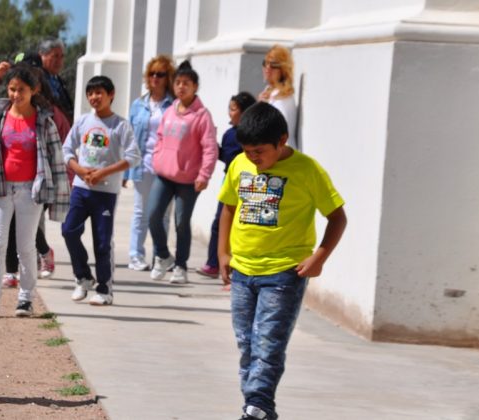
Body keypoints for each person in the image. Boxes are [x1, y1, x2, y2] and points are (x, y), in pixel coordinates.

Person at [217, 102, 347, 420]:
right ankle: (256, 406)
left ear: (282, 140)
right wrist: (222, 253)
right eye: (248, 151)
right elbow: (229, 208)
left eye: (260, 151)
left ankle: (259, 406)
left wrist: (320, 256)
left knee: (268, 342)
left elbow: (337, 217)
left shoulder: (308, 170)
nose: (253, 158)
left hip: (284, 272)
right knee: (247, 344)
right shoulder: (238, 165)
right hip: (243, 271)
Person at [0, 64, 70, 318]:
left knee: (26, 246)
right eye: (12, 89)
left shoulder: (44, 121)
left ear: (34, 90)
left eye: (21, 90)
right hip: (0, 188)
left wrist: (58, 197)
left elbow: (57, 161)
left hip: (30, 191)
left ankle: (25, 299)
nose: (15, 95)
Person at [62, 75, 141, 305]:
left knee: (102, 242)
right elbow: (67, 150)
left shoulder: (120, 125)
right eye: (91, 93)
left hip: (106, 193)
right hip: (80, 189)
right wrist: (81, 171)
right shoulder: (83, 121)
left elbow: (133, 157)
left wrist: (103, 173)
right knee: (69, 230)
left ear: (111, 94)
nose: (94, 97)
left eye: (99, 93)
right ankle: (83, 276)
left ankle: (104, 289)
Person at [147, 60, 218, 284]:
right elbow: (160, 136)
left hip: (188, 179)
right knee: (153, 215)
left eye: (186, 83)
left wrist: (204, 175)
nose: (180, 87)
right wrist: (157, 157)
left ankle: (181, 266)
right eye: (177, 82)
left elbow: (210, 148)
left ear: (195, 87)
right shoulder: (170, 110)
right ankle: (163, 255)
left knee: (180, 222)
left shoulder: (201, 115)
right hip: (164, 174)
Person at [196, 91, 256, 283]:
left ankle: (224, 265)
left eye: (233, 108)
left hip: (240, 183)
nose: (229, 113)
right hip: (234, 182)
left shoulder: (240, 135)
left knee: (230, 224)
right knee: (225, 223)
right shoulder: (235, 134)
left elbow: (232, 158)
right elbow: (227, 156)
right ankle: (218, 263)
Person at [125, 55, 175, 272]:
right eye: (152, 74)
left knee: (163, 214)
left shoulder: (174, 105)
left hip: (166, 167)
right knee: (141, 212)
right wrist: (125, 169)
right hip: (142, 165)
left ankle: (159, 255)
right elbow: (129, 137)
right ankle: (135, 255)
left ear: (167, 78)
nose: (155, 78)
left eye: (160, 74)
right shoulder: (138, 105)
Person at [258, 44, 298, 150]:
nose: (268, 68)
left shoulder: (283, 97)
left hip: (281, 153)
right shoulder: (269, 92)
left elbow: (278, 130)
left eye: (273, 65)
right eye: (265, 63)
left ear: (283, 69)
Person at [39, 38, 74, 123]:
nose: (59, 61)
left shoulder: (59, 81)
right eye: (55, 56)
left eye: (62, 56)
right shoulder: (36, 78)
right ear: (42, 56)